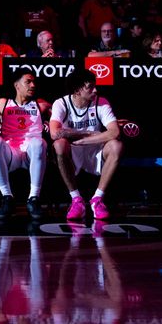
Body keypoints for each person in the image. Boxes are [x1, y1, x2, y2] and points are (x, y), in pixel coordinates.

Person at [49, 70, 122, 221]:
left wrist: (83, 139)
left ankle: (97, 199)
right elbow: (55, 133)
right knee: (59, 145)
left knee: (116, 146)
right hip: (73, 150)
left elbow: (114, 132)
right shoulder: (61, 103)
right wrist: (88, 134)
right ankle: (76, 200)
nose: (95, 90)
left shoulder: (101, 102)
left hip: (95, 149)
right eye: (90, 87)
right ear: (77, 90)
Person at [0, 72, 51, 221]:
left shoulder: (41, 104)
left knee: (39, 143)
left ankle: (34, 199)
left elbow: (61, 118)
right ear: (16, 85)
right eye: (28, 82)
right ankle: (7, 197)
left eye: (34, 82)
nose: (33, 85)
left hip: (31, 154)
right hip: (11, 154)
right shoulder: (3, 103)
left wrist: (49, 123)